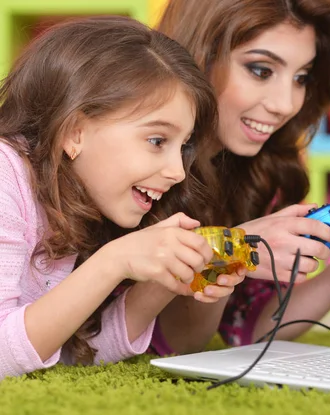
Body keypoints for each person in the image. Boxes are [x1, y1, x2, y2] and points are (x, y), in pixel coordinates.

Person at [151, 0, 330, 355]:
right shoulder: (139, 169)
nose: (286, 104)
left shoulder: (258, 170)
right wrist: (237, 248)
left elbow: (252, 328)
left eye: (301, 77)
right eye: (261, 70)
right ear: (198, 56)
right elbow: (174, 342)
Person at [0, 15, 246, 380]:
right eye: (157, 141)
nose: (178, 172)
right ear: (74, 131)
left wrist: (164, 280)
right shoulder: (6, 174)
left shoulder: (77, 198)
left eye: (183, 146)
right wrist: (114, 260)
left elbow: (70, 351)